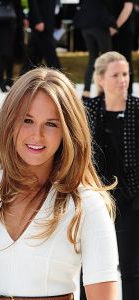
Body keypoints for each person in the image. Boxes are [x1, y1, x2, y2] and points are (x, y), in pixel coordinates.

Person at [0, 67, 118, 300]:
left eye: (51, 124)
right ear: (9, 122)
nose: (36, 136)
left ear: (67, 130)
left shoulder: (87, 204)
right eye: (27, 120)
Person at [83, 51, 139, 299]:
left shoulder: (137, 109)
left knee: (131, 269)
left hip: (131, 201)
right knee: (90, 268)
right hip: (95, 199)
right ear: (101, 79)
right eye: (116, 75)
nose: (123, 80)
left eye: (125, 74)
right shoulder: (88, 109)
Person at [74, 0, 115, 98]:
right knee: (108, 59)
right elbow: (109, 6)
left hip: (86, 26)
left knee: (93, 59)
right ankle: (106, 91)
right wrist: (113, 24)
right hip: (99, 25)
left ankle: (86, 91)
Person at [20, 0, 61, 75]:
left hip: (48, 23)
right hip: (41, 24)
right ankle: (59, 78)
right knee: (50, 55)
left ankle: (23, 77)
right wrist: (38, 21)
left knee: (34, 55)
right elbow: (33, 2)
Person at [111, 0, 135, 93]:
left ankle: (128, 91)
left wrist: (115, 27)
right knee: (113, 61)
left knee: (125, 60)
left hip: (124, 30)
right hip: (114, 30)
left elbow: (128, 7)